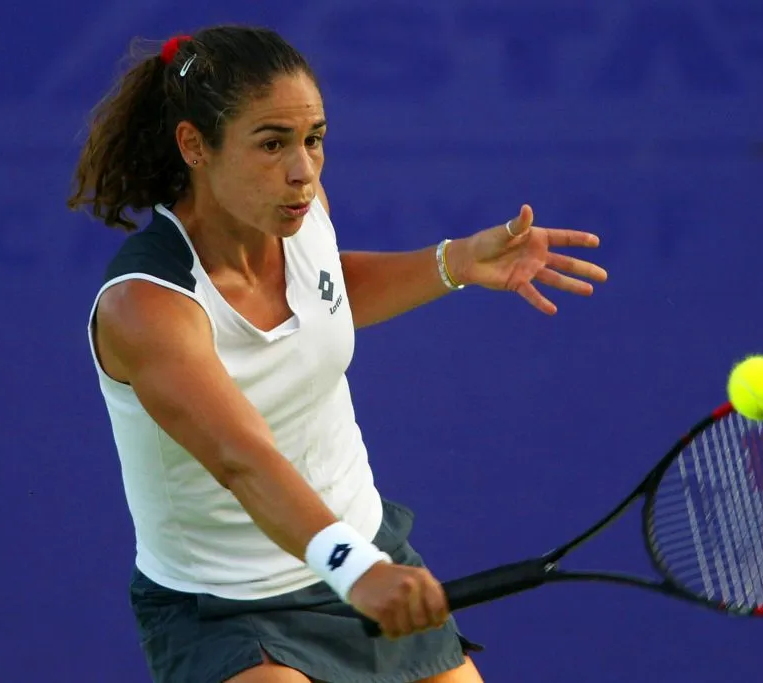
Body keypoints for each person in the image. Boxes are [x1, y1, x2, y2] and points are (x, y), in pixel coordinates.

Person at [67, 24, 607, 683]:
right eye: (272, 144)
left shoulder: (300, 214)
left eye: (314, 139)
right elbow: (241, 457)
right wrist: (356, 569)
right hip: (226, 602)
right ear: (194, 145)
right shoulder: (146, 306)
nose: (303, 171)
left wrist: (457, 261)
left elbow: (327, 293)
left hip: (364, 544)